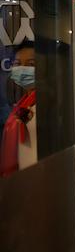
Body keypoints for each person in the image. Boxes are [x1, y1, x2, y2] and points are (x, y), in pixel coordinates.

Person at [0, 40, 36, 176]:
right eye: (17, 64)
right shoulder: (22, 104)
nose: (22, 69)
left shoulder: (49, 104)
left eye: (31, 64)